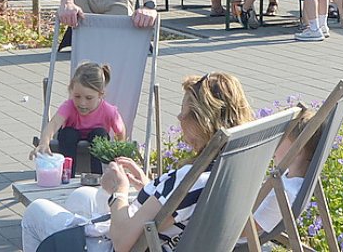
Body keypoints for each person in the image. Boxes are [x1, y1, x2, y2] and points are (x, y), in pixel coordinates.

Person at [20, 71, 254, 252]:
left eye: (184, 113)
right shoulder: (232, 166)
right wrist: (147, 186)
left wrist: (118, 192)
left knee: (35, 212)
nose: (179, 118)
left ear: (203, 122)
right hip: (166, 235)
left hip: (129, 244)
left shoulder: (191, 178)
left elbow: (122, 242)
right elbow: (175, 210)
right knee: (81, 197)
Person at [35, 61, 126, 172]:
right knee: (67, 133)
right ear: (71, 91)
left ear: (100, 95)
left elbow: (120, 131)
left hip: (95, 141)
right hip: (71, 141)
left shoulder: (109, 111)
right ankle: (67, 173)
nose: (82, 103)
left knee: (99, 134)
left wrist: (118, 151)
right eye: (77, 96)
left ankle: (97, 176)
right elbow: (54, 124)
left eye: (88, 98)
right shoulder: (69, 106)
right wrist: (44, 142)